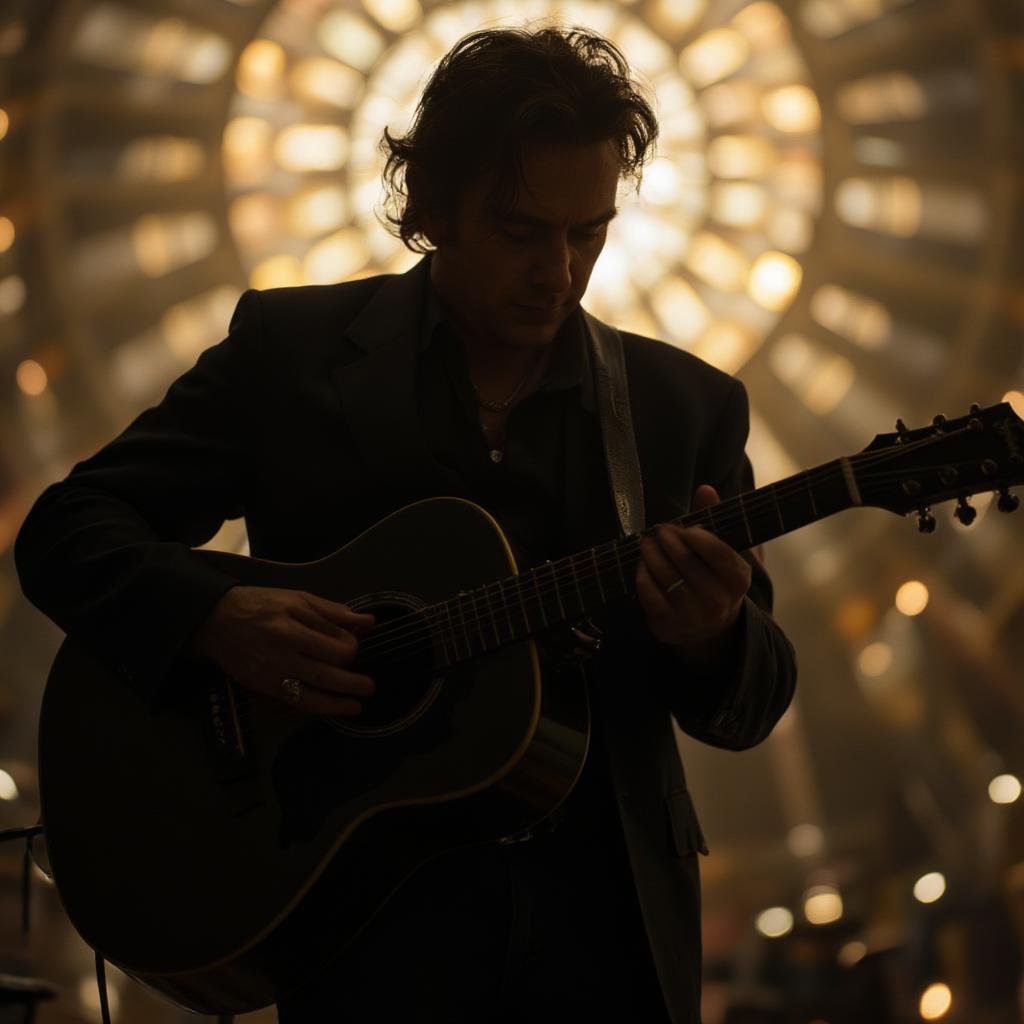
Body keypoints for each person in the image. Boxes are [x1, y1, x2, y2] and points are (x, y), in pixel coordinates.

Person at [15, 25, 797, 1024]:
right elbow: (68, 529)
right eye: (521, 232)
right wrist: (217, 615)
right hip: (358, 926)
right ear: (430, 204)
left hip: (602, 934)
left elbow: (751, 703)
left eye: (588, 233)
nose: (557, 273)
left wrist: (715, 635)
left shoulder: (681, 407)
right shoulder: (290, 355)